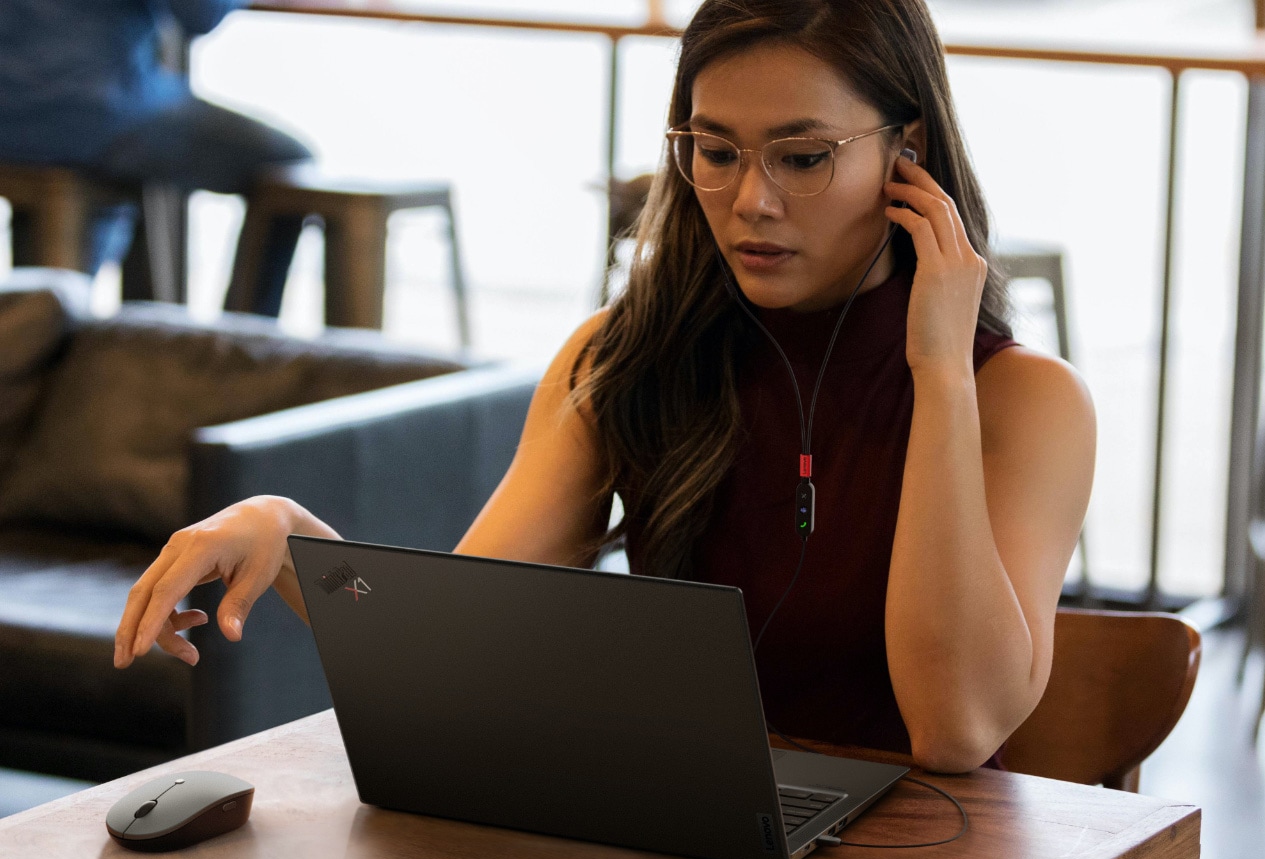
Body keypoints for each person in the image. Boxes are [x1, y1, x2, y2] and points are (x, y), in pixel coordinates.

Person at [113, 0, 1095, 773]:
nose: (750, 200)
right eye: (714, 152)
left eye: (801, 158)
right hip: (688, 849)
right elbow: (455, 656)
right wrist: (294, 540)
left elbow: (955, 731)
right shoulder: (628, 357)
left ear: (904, 152)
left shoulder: (1022, 401)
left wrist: (934, 371)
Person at [0, 0, 310, 313]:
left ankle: (49, 325)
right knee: (290, 164)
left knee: (98, 176)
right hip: (92, 106)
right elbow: (201, 14)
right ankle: (245, 350)